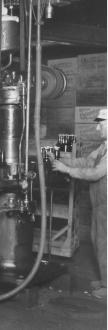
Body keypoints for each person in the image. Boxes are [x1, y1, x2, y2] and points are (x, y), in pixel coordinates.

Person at [50, 108, 107, 299]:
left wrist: (66, 169)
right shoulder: (104, 147)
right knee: (96, 239)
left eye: (101, 124)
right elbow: (86, 162)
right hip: (99, 202)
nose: (98, 128)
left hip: (106, 203)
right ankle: (105, 279)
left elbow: (95, 173)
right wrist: (64, 162)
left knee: (104, 242)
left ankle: (107, 287)